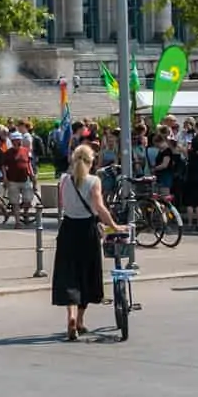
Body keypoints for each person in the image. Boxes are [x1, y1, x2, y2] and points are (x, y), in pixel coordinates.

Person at [52, 144, 123, 340]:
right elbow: (99, 207)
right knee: (86, 275)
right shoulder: (94, 181)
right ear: (92, 162)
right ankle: (81, 320)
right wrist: (114, 226)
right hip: (87, 230)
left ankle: (71, 316)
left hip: (68, 229)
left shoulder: (64, 179)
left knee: (69, 274)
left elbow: (61, 204)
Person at [179, 135, 198, 231]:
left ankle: (189, 223)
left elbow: (180, 147)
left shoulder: (189, 153)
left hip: (189, 180)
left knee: (189, 204)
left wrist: (188, 145)